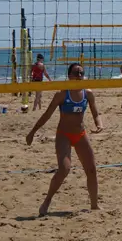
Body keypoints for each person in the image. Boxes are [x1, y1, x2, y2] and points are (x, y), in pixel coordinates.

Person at [26, 63, 104, 217]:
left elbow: (96, 113)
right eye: (76, 73)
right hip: (64, 135)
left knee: (91, 169)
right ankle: (47, 201)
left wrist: (99, 124)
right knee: (64, 169)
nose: (79, 76)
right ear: (69, 76)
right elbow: (47, 115)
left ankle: (94, 205)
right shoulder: (62, 94)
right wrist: (33, 132)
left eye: (81, 73)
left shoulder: (88, 93)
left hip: (80, 134)